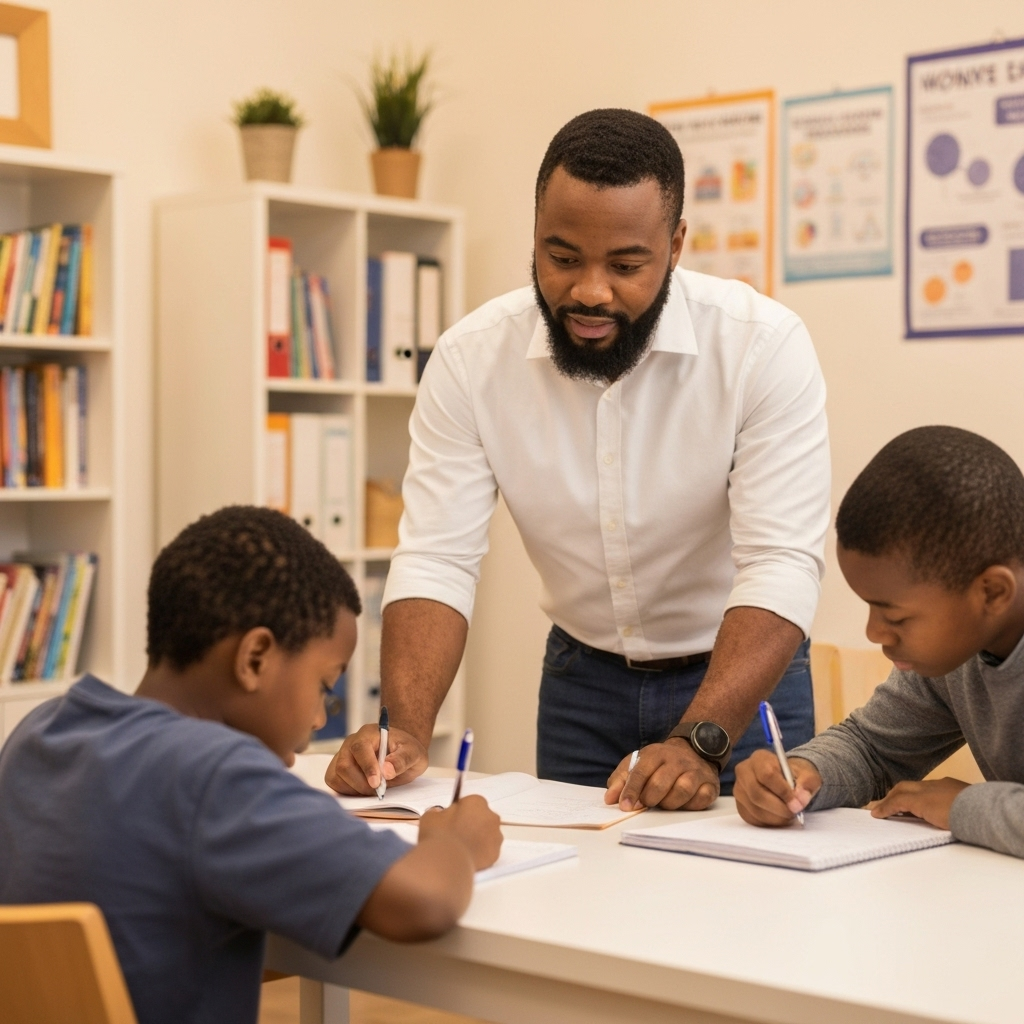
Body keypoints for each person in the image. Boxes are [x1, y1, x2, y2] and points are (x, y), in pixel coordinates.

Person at [329, 108, 830, 809]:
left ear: (676, 246)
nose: (591, 291)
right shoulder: (472, 359)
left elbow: (780, 563)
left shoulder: (761, 347)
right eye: (562, 258)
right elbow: (437, 557)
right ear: (535, 234)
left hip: (739, 682)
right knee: (575, 871)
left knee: (752, 874)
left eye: (625, 265)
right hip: (581, 681)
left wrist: (699, 741)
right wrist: (403, 733)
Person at [0, 506, 502, 1024]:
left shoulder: (41, 730)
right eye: (324, 686)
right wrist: (456, 843)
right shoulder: (214, 775)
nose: (318, 718)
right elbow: (424, 902)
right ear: (255, 657)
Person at [734, 426, 1024, 858]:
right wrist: (801, 772)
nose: (874, 633)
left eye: (895, 616)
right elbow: (872, 747)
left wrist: (964, 807)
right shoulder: (956, 659)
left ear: (993, 593)